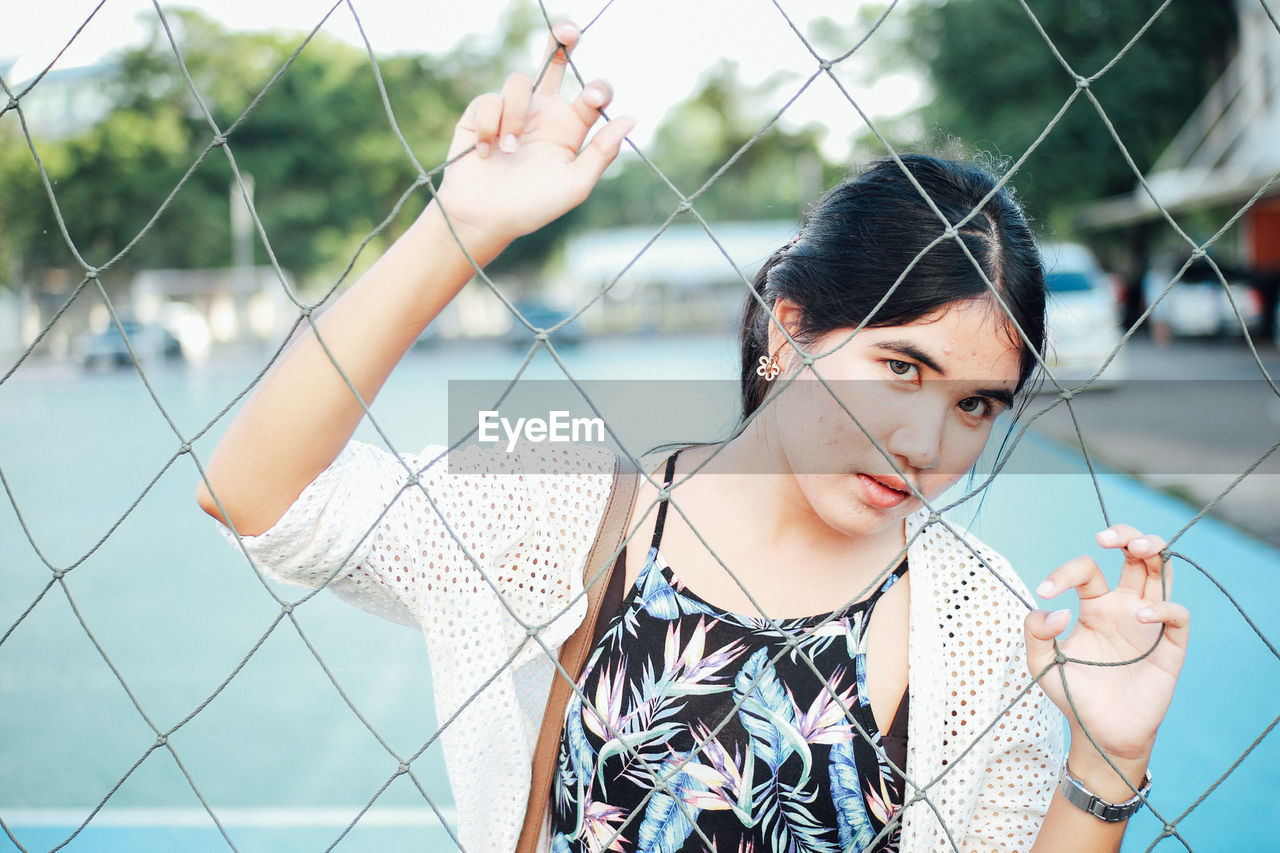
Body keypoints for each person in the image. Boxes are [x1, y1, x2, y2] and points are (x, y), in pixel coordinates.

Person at [196, 21, 1188, 853]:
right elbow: (260, 495)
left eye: (977, 403)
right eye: (900, 367)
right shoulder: (566, 510)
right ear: (791, 331)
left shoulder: (983, 620)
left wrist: (1106, 760)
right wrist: (460, 228)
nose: (926, 439)